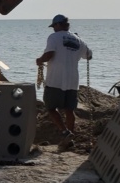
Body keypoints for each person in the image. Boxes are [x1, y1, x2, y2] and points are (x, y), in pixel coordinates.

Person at [36, 14, 92, 145]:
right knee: (69, 110)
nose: (53, 29)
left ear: (58, 25)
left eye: (54, 26)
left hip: (56, 79)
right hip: (72, 81)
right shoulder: (78, 40)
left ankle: (64, 131)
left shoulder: (54, 37)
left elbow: (49, 54)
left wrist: (39, 60)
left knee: (50, 107)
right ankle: (70, 136)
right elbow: (89, 55)